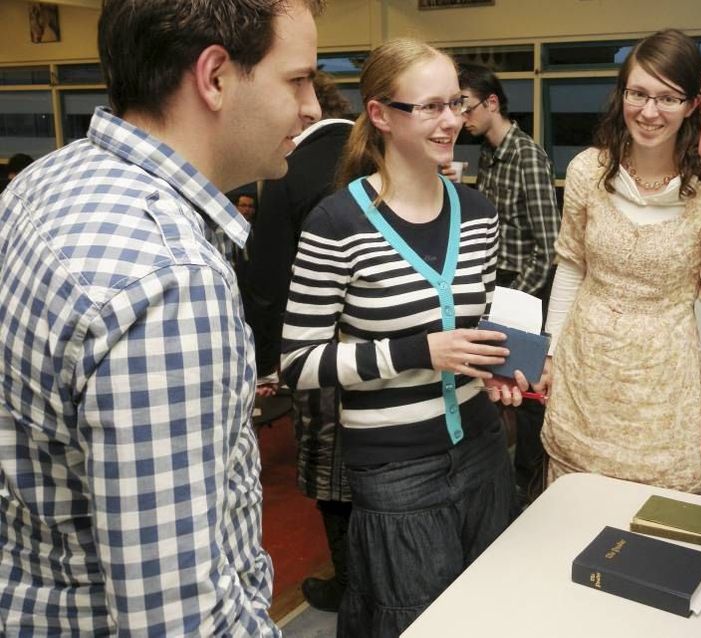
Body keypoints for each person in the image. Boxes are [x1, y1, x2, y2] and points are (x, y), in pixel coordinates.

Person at [0, 0, 323, 634]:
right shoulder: (170, 283)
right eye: (298, 79)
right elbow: (176, 620)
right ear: (215, 77)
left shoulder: (43, 181)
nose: (313, 107)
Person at [278, 39, 524, 637]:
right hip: (396, 473)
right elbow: (298, 363)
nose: (451, 121)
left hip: (484, 455)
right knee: (412, 622)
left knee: (489, 611)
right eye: (431, 106)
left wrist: (493, 368)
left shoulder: (480, 213)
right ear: (381, 115)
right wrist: (421, 351)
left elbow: (477, 325)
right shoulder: (337, 223)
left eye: (456, 104)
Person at [538, 28, 701, 494]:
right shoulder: (587, 171)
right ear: (622, 94)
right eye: (638, 93)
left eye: (668, 98)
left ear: (694, 104)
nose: (649, 112)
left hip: (664, 381)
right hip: (584, 369)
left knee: (658, 511)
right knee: (572, 502)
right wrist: (549, 352)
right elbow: (572, 266)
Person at [245, 71, 356, 612]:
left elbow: (267, 281)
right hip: (398, 348)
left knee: (330, 470)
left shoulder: (290, 171)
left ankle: (349, 583)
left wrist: (267, 368)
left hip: (320, 349)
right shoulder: (378, 150)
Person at [457, 62, 560, 504]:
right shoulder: (490, 155)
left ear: (492, 103)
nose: (460, 119)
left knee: (529, 392)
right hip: (498, 287)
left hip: (526, 292)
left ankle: (532, 491)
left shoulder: (527, 156)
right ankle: (502, 483)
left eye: (465, 106)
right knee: (497, 391)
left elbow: (550, 244)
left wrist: (513, 299)